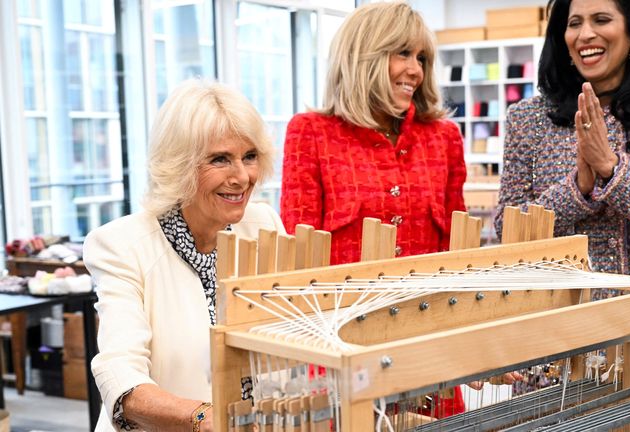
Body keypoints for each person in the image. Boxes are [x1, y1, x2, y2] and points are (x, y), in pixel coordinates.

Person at [84, 80, 285, 431]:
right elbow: (120, 375)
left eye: (249, 156)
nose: (241, 176)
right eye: (220, 159)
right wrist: (202, 417)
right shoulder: (121, 245)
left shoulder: (263, 223)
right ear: (179, 164)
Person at [494, 0, 630, 283]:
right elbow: (508, 230)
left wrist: (611, 167)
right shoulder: (528, 118)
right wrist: (577, 189)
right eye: (575, 23)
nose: (585, 34)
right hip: (557, 315)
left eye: (601, 20)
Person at [280, 1, 467, 268]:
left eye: (421, 58)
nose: (416, 71)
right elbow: (298, 252)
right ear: (363, 57)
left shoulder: (443, 138)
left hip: (429, 304)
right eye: (403, 53)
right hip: (343, 307)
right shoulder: (311, 133)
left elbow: (457, 246)